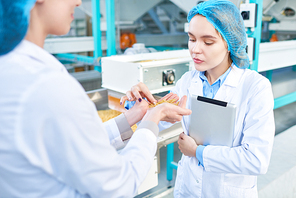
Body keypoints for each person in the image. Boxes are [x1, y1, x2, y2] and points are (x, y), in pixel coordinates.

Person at [0, 0, 192, 197]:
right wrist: (153, 118)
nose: (78, 2)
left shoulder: (14, 71)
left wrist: (133, 117)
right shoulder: (47, 86)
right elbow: (118, 186)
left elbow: (76, 142)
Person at [121, 0, 275, 197]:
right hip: (188, 189)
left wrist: (198, 152)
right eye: (192, 39)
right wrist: (141, 109)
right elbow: (159, 124)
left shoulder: (255, 88)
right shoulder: (187, 81)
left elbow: (256, 159)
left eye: (208, 42)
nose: (195, 49)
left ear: (229, 42)